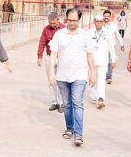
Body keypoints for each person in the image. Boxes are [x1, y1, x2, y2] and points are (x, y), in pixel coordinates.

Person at [49, 8, 96, 146]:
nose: (72, 23)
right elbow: (53, 54)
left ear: (79, 20)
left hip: (79, 75)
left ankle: (78, 134)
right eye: (69, 20)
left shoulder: (85, 35)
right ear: (66, 19)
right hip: (62, 75)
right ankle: (69, 128)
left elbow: (90, 55)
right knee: (67, 104)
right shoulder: (59, 34)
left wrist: (93, 74)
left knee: (77, 102)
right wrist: (51, 73)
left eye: (74, 20)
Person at [37, 12, 66, 113]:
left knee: (61, 81)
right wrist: (39, 57)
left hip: (61, 57)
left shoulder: (64, 29)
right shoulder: (46, 29)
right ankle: (54, 102)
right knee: (51, 80)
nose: (52, 25)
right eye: (50, 23)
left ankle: (62, 102)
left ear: (58, 20)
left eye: (54, 23)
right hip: (49, 57)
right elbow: (42, 43)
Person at [88, 14, 116, 108]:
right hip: (92, 60)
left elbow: (111, 47)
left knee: (101, 79)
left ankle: (101, 98)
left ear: (103, 22)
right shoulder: (89, 33)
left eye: (101, 21)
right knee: (93, 78)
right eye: (97, 21)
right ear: (94, 22)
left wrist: (113, 59)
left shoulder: (107, 33)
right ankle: (94, 96)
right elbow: (85, 48)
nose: (99, 23)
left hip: (103, 60)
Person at [103, 10, 125, 84]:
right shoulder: (100, 25)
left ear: (110, 17)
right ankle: (104, 75)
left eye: (107, 16)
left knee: (110, 61)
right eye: (105, 16)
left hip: (111, 46)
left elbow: (118, 36)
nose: (106, 17)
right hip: (102, 47)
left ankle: (109, 77)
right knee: (103, 62)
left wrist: (122, 45)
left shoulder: (114, 26)